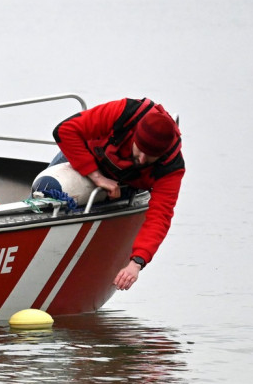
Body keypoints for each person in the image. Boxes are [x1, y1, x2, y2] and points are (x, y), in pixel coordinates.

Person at [42, 98, 184, 291]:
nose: (142, 159)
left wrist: (136, 263)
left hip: (122, 186)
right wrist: (97, 177)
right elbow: (64, 130)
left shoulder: (171, 167)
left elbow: (160, 217)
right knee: (46, 189)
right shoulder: (124, 112)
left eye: (150, 157)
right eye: (139, 149)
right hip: (84, 159)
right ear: (134, 136)